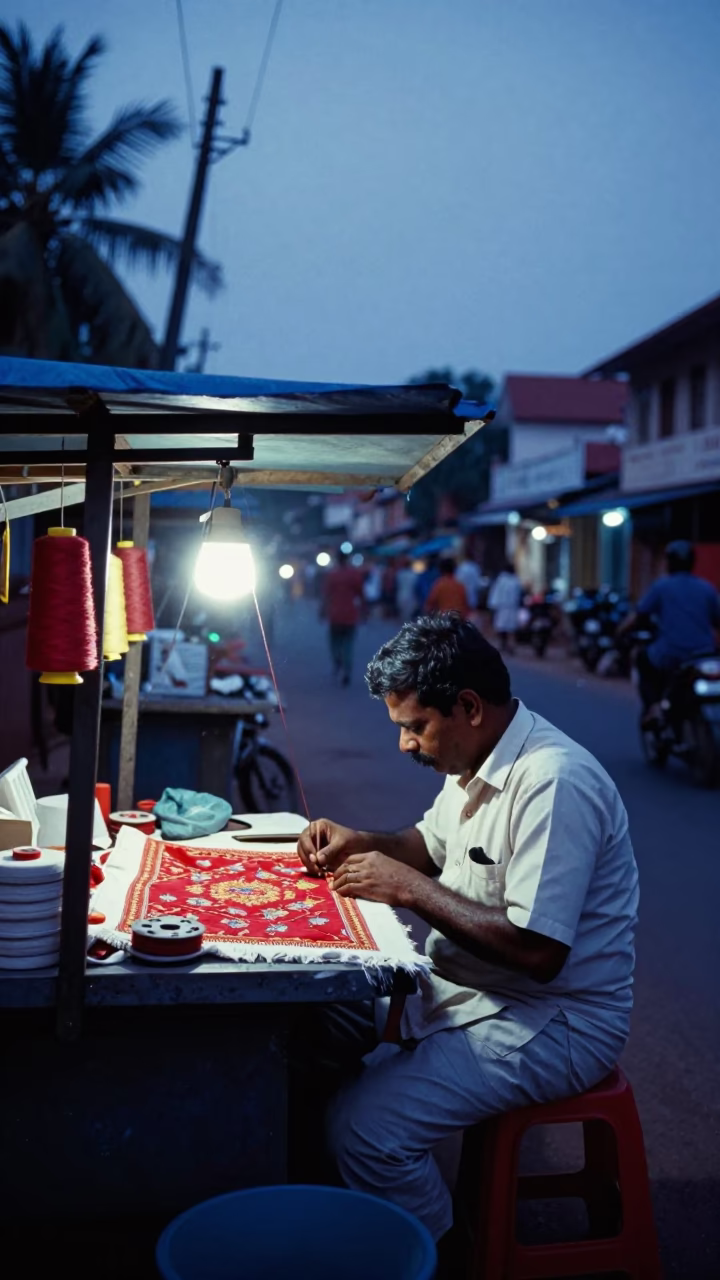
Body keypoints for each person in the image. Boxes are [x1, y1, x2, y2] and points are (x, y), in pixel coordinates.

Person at [293, 613, 638, 1262]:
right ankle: (339, 1200)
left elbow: (538, 954)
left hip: (555, 1019)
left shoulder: (553, 781)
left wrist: (406, 888)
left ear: (469, 707)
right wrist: (360, 843)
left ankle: (440, 1253)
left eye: (414, 727)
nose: (406, 745)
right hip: (470, 988)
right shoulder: (475, 759)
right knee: (309, 1021)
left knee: (363, 1133)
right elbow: (423, 847)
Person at [618, 541, 720, 722]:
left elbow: (638, 616)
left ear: (670, 562)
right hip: (704, 655)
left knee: (642, 659)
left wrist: (620, 632)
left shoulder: (661, 587)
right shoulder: (707, 588)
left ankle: (654, 707)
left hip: (670, 654)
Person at [321, 549, 366, 686]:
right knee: (348, 644)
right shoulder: (354, 575)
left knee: (334, 642)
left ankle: (337, 660)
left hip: (335, 614)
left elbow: (326, 595)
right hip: (350, 614)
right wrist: (365, 610)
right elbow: (361, 594)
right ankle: (347, 669)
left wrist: (322, 610)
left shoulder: (332, 575)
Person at [487, 561, 522, 652]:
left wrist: (493, 605)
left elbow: (496, 593)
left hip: (505, 607)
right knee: (508, 628)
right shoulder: (512, 580)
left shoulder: (504, 580)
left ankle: (507, 645)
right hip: (508, 607)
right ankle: (508, 645)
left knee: (505, 628)